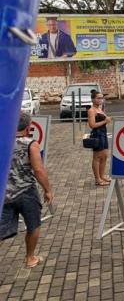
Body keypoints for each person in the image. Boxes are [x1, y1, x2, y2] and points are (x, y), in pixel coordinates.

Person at [0, 112, 54, 268]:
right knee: (33, 225)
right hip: (27, 192)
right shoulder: (31, 144)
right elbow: (38, 170)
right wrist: (48, 189)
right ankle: (30, 258)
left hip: (6, 193)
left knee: (1, 230)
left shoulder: (3, 142)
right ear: (28, 127)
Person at [87, 90, 111, 186]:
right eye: (98, 98)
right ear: (93, 99)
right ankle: (97, 179)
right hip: (97, 134)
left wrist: (106, 120)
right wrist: (105, 121)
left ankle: (102, 176)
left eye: (102, 98)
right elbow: (92, 125)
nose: (101, 100)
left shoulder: (100, 109)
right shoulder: (91, 110)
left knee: (104, 156)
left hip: (103, 133)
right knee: (97, 157)